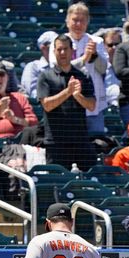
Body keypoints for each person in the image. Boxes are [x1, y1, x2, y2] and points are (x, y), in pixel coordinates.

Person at [38, 34, 97, 171]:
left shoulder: (83, 75)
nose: (62, 53)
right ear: (54, 52)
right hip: (56, 141)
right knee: (57, 183)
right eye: (59, 49)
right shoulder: (46, 76)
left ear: (72, 51)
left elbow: (92, 105)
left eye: (65, 49)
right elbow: (46, 105)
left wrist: (78, 96)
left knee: (88, 181)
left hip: (80, 139)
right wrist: (68, 92)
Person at [49, 2, 109, 135]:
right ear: (67, 21)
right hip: (67, 105)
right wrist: (84, 59)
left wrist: (95, 56)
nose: (78, 24)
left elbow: (104, 69)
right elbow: (58, 68)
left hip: (93, 106)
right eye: (75, 20)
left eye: (82, 20)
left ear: (87, 22)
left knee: (96, 144)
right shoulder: (58, 42)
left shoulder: (96, 41)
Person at [22, 31, 58, 99]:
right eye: (54, 46)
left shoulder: (62, 67)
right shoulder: (33, 66)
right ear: (43, 48)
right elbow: (33, 93)